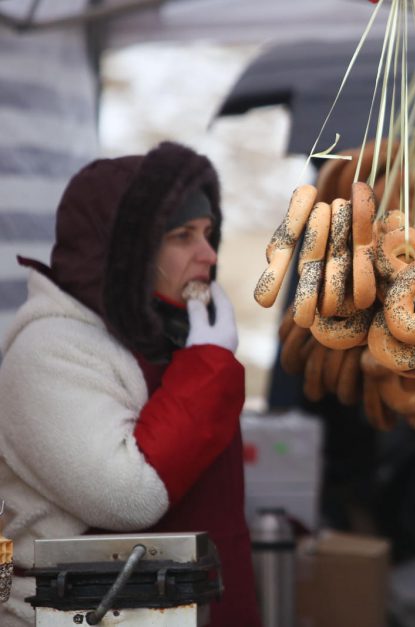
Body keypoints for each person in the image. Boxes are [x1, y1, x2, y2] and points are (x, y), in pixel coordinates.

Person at [0, 141, 261, 626]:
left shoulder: (173, 338)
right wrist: (205, 366)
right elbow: (129, 496)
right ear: (125, 251)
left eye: (208, 233)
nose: (207, 253)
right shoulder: (51, 348)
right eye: (183, 236)